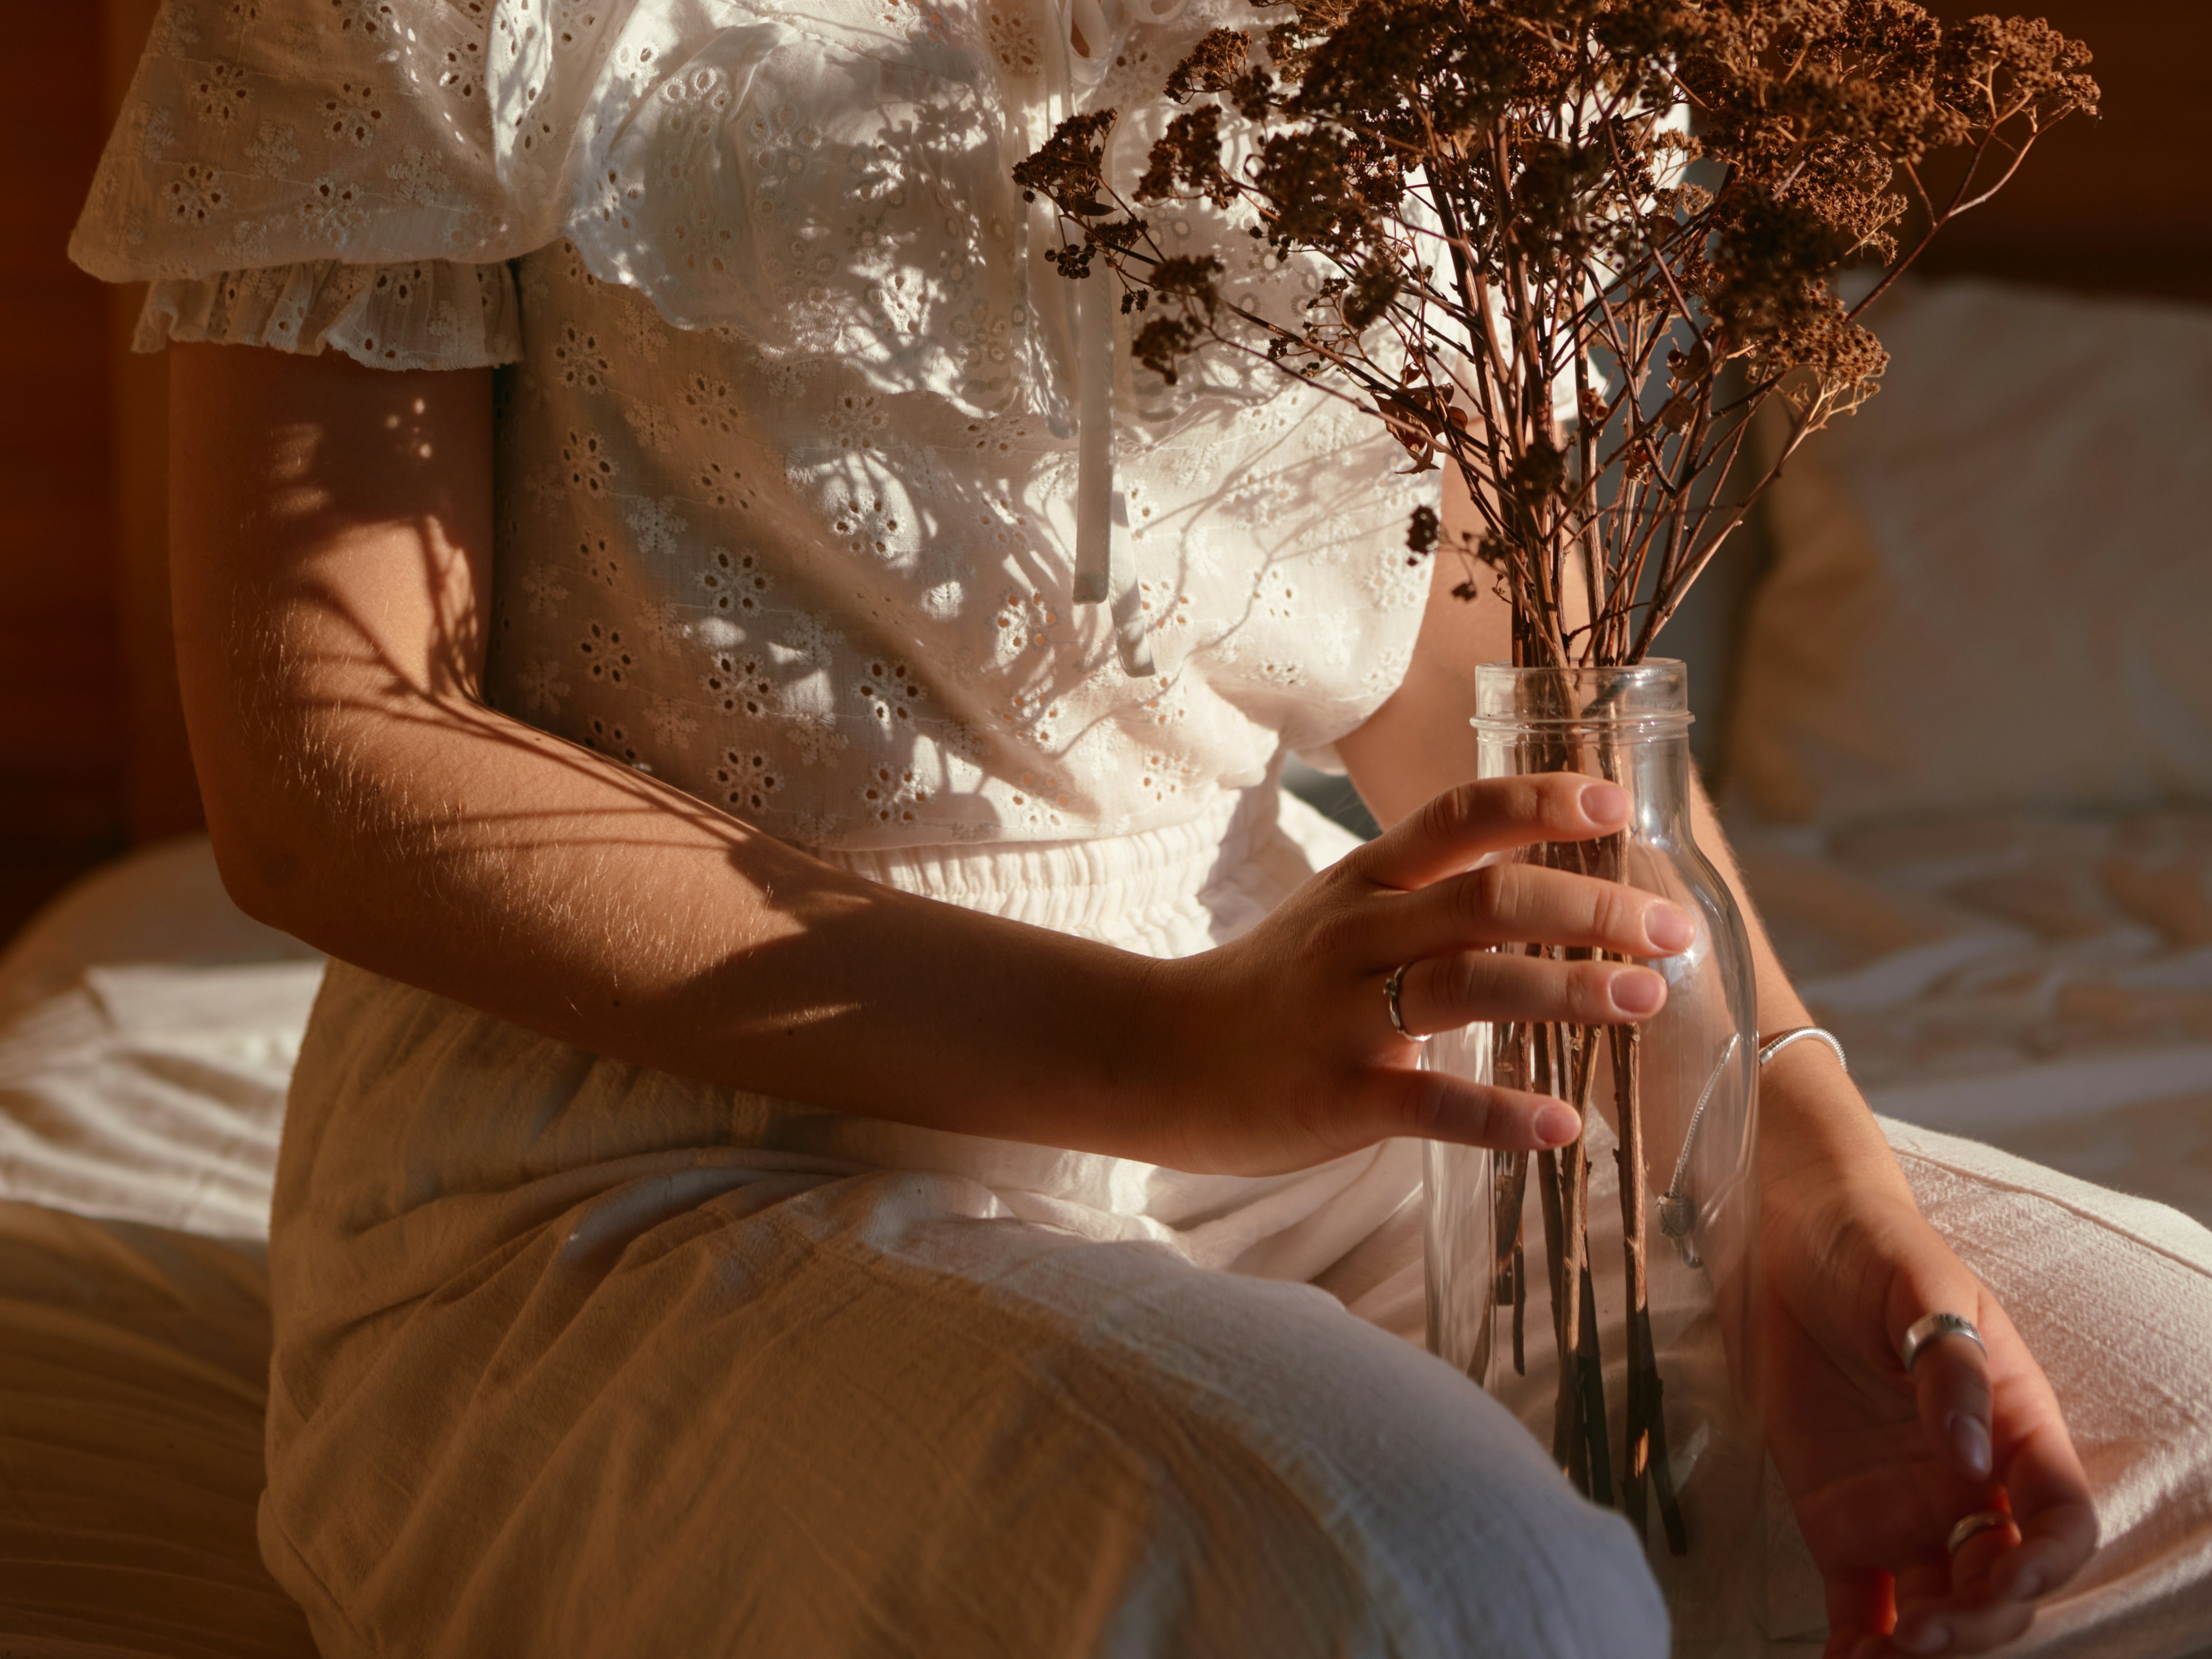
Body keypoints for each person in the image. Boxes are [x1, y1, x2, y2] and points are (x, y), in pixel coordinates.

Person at [69, 1, 2210, 1654]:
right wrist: (1175, 1054)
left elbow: (1491, 670)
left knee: (2155, 1446)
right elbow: (332, 754)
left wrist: (1780, 1161)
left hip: (1322, 1094)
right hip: (651, 1165)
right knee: (1448, 1604)